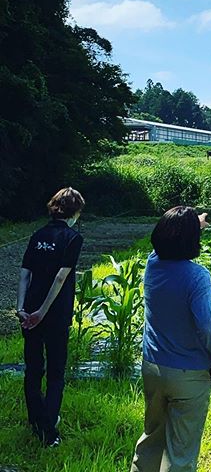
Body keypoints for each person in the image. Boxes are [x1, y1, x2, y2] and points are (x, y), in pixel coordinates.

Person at [130, 206, 211, 472]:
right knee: (180, 454)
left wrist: (192, 223)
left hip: (153, 367)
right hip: (189, 374)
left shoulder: (153, 264)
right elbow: (207, 326)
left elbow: (168, 239)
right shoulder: (197, 277)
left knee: (151, 438)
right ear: (192, 240)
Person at [16, 187, 86, 447]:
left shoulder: (38, 235)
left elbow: (25, 273)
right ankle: (49, 431)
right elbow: (60, 277)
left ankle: (36, 421)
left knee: (33, 369)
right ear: (75, 211)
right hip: (54, 314)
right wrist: (42, 313)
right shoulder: (73, 238)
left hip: (29, 310)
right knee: (56, 372)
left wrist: (21, 307)